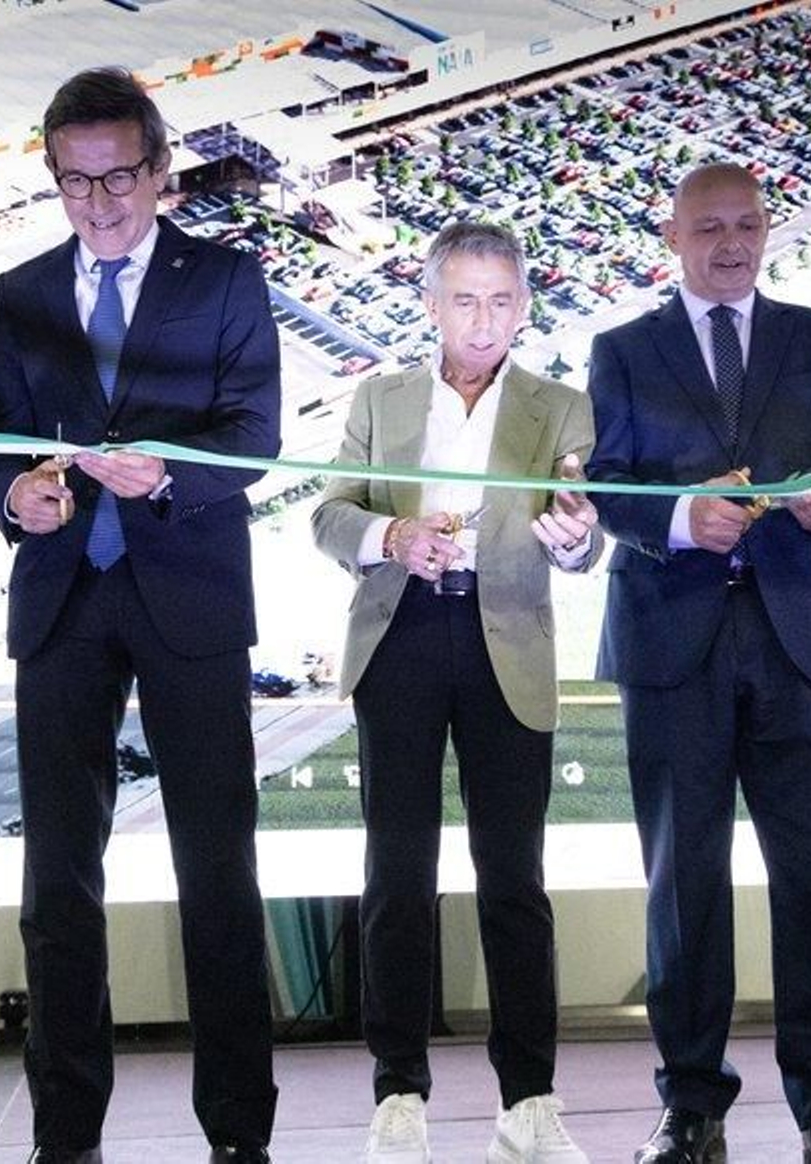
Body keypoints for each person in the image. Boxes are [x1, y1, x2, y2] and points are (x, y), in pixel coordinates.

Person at [0, 67, 280, 1164]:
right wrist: (14, 496)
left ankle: (238, 1135)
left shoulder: (227, 277)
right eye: (75, 181)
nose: (98, 203)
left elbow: (254, 434)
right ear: (54, 177)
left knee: (218, 875)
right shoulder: (19, 290)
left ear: (158, 170)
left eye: (117, 177)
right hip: (62, 599)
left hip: (189, 592)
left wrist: (172, 474)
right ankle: (66, 1136)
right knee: (58, 882)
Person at [586, 162, 811, 1164]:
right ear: (671, 237)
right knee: (683, 886)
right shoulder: (621, 350)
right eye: (710, 227)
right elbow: (607, 484)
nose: (732, 244)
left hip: (802, 641)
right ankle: (691, 1106)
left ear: (767, 230)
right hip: (672, 640)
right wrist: (682, 517)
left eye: (748, 225)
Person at [312, 222, 601, 1164]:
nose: (483, 320)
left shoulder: (561, 406)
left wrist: (576, 539)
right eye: (465, 300)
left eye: (501, 301)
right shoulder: (381, 397)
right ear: (431, 304)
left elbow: (583, 532)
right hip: (399, 635)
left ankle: (530, 1100)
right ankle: (398, 1091)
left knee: (513, 878)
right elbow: (330, 514)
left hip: (505, 640)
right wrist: (392, 539)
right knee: (398, 876)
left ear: (524, 308)